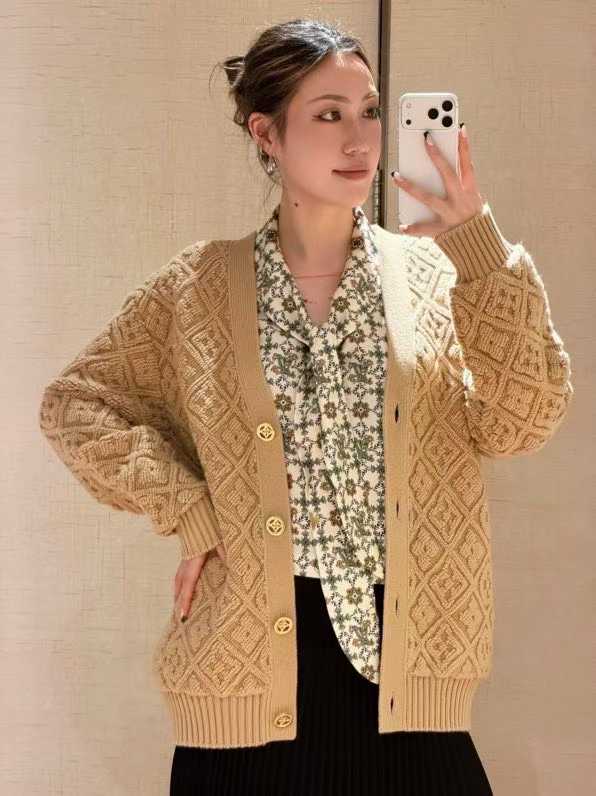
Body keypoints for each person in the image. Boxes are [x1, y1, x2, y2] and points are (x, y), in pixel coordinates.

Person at [39, 16, 573, 796]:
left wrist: (476, 244)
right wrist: (190, 508)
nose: (359, 138)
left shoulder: (438, 276)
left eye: (370, 111)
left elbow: (525, 419)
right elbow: (77, 404)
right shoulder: (198, 287)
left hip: (410, 689)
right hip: (243, 693)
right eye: (328, 114)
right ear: (268, 133)